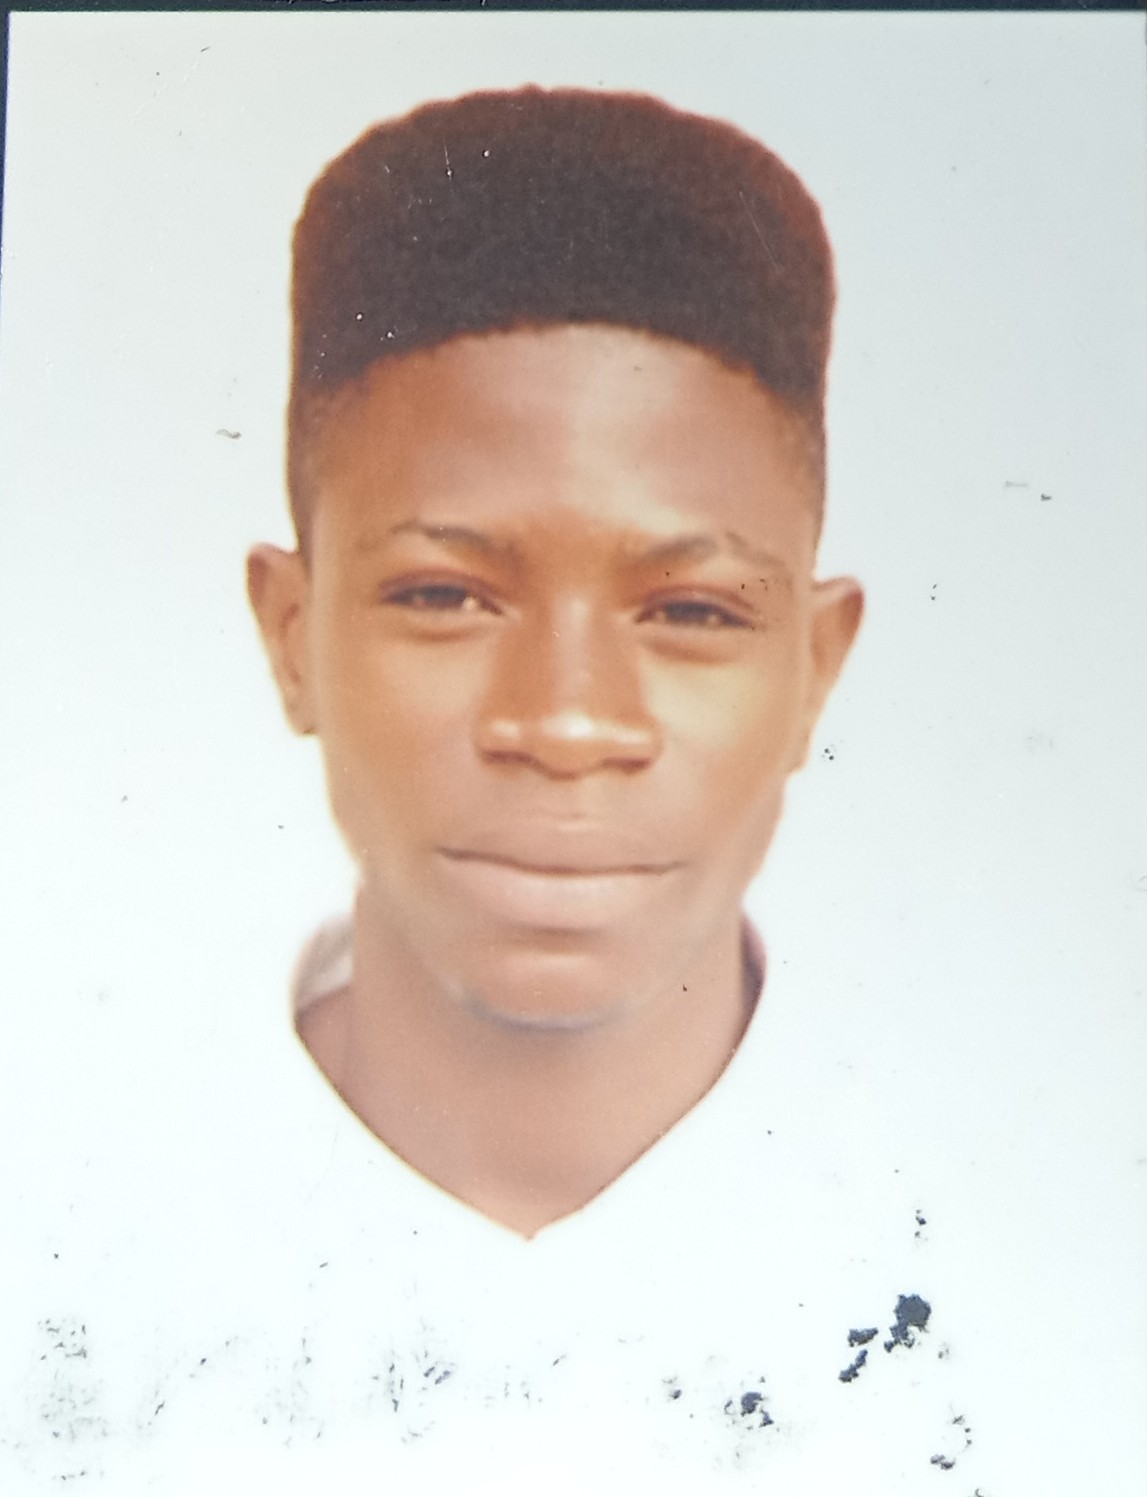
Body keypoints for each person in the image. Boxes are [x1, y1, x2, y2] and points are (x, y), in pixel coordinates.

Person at [247, 85, 862, 1241]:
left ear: (815, 671)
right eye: (442, 595)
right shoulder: (50, 1209)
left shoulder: (1033, 1246)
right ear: (291, 635)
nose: (567, 722)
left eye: (691, 611)